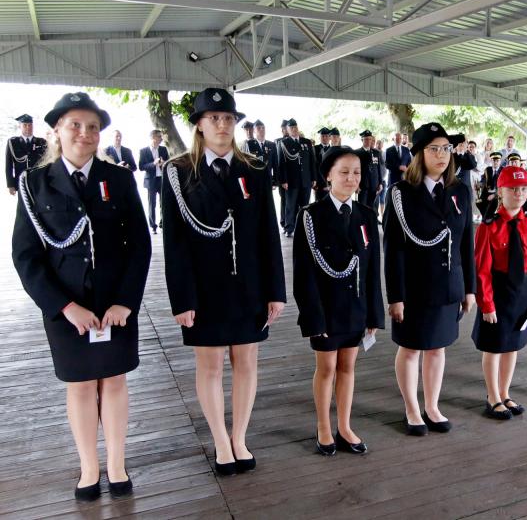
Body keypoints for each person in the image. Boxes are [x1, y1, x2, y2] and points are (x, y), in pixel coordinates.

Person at [12, 92, 151, 501]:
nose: (85, 133)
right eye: (75, 124)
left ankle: (117, 464)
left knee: (115, 381)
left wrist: (126, 301)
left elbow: (139, 245)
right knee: (80, 386)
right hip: (67, 307)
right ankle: (89, 467)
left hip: (114, 304)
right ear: (57, 129)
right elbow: (26, 255)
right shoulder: (35, 184)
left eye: (92, 127)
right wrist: (64, 307)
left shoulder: (119, 180)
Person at [161, 88, 286, 476]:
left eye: (228, 118)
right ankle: (220, 441)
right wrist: (182, 298)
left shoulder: (255, 169)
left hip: (249, 286)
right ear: (199, 124)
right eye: (213, 118)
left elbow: (268, 233)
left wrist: (276, 291)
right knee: (211, 365)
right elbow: (174, 242)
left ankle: (239, 438)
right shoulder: (179, 172)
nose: (222, 124)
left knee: (246, 362)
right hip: (204, 289)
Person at [383, 122, 476, 436]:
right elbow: (393, 249)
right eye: (434, 149)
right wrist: (395, 296)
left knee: (438, 348)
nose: (442, 155)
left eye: (446, 148)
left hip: (449, 285)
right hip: (414, 288)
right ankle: (412, 408)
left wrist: (470, 289)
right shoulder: (400, 194)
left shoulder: (460, 191)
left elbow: (466, 244)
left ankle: (432, 406)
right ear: (419, 154)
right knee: (411, 349)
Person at [293, 147, 384, 456]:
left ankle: (344, 426)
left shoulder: (366, 215)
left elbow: (372, 271)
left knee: (347, 366)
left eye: (356, 172)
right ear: (328, 176)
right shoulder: (311, 216)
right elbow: (304, 274)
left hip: (356, 307)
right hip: (325, 309)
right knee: (327, 367)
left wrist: (374, 314)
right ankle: (323, 426)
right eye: (344, 172)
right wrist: (313, 317)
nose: (351, 178)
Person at [473, 166, 527, 419]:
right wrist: (487, 304)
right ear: (501, 192)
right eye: (513, 189)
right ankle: (492, 396)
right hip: (498, 293)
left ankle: (505, 393)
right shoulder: (489, 226)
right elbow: (481, 269)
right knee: (494, 347)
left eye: (524, 189)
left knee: (512, 346)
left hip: (522, 294)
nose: (519, 194)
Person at [277, 118, 316, 238]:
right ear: (287, 130)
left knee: (305, 205)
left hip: (306, 179)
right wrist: (283, 180)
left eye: (295, 127)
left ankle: (304, 227)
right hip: (291, 180)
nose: (294, 129)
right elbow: (281, 163)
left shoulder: (306, 142)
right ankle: (289, 228)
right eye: (291, 128)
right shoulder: (283, 143)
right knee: (290, 205)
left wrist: (314, 178)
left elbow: (312, 161)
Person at [5, 114, 47, 195]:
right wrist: (10, 184)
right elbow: (9, 165)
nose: (28, 127)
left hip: (38, 182)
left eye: (30, 125)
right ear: (19, 126)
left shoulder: (42, 142)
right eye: (25, 125)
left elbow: (46, 163)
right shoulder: (13, 142)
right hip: (21, 182)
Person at [138, 130, 169, 234]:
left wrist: (163, 163)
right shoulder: (143, 151)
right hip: (151, 181)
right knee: (152, 204)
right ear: (153, 137)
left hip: (162, 179)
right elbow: (141, 167)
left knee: (163, 203)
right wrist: (153, 163)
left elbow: (169, 162)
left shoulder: (164, 149)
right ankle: (153, 226)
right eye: (159, 136)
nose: (161, 138)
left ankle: (162, 224)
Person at [355, 130, 384, 210]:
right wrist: (356, 185)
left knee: (373, 209)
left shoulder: (376, 153)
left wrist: (380, 183)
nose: (368, 141)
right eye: (366, 139)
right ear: (362, 140)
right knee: (362, 208)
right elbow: (355, 171)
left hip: (375, 186)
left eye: (370, 139)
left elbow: (379, 169)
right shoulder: (357, 153)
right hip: (362, 186)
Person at [477, 151, 503, 217]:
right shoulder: (487, 169)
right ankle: (486, 218)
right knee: (479, 203)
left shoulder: (503, 170)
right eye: (494, 160)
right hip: (486, 192)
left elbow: (503, 186)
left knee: (492, 205)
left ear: (500, 161)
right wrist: (479, 184)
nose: (495, 162)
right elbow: (483, 180)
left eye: (497, 161)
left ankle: (488, 218)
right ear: (491, 161)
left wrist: (494, 195)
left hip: (498, 193)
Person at [313, 127, 332, 202]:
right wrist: (314, 181)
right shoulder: (314, 149)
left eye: (326, 136)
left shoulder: (333, 149)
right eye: (322, 136)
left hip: (331, 182)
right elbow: (313, 166)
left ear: (330, 137)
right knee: (319, 204)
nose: (324, 138)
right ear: (319, 138)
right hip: (319, 182)